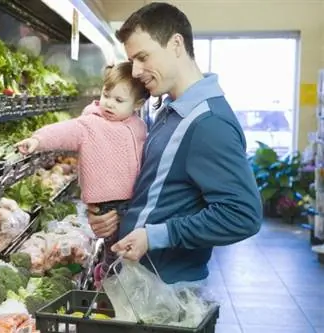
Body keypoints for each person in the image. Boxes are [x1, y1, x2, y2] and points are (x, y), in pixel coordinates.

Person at [88, 2, 263, 286]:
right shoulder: (171, 110)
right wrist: (118, 217)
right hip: (139, 283)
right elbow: (162, 192)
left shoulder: (208, 122)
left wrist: (154, 236)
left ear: (176, 44)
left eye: (143, 57)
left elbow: (243, 215)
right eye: (133, 60)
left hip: (167, 294)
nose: (135, 71)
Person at [15, 62, 149, 284]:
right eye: (106, 95)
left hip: (133, 202)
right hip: (106, 205)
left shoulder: (139, 126)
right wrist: (37, 140)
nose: (109, 104)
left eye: (119, 100)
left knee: (130, 253)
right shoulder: (90, 124)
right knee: (114, 251)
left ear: (138, 104)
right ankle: (105, 283)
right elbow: (64, 130)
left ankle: (116, 282)